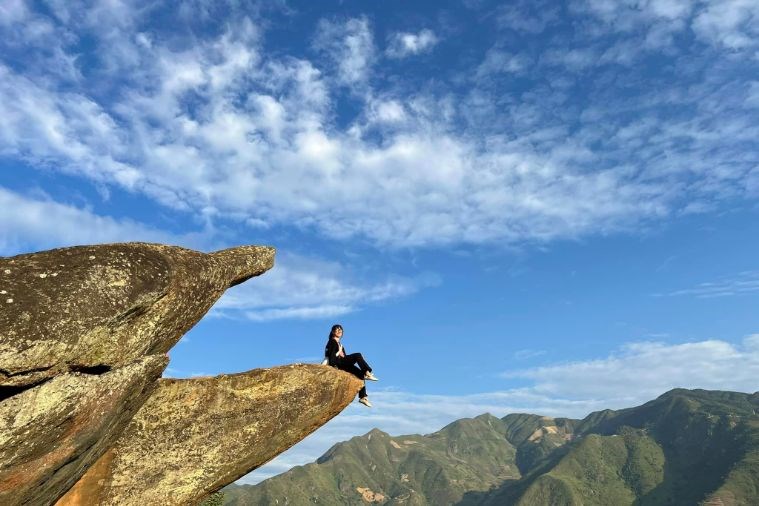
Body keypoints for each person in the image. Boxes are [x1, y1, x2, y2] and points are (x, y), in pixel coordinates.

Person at [323, 324, 378, 407]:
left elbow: (344, 357)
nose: (339, 331)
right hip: (338, 364)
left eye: (340, 330)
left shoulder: (340, 344)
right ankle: (367, 372)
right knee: (358, 355)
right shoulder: (332, 342)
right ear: (333, 332)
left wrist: (343, 352)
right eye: (337, 330)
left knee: (360, 373)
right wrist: (339, 351)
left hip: (343, 363)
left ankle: (363, 397)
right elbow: (332, 358)